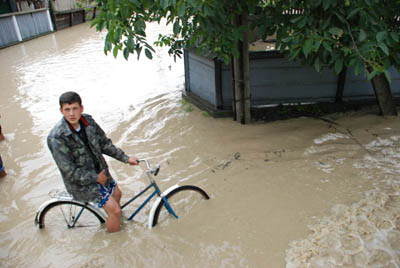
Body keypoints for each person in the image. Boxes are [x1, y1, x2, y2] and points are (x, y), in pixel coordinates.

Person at [47, 91, 138, 232]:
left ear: (81, 108)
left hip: (101, 173)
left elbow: (104, 144)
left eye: (75, 108)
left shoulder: (88, 122)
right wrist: (96, 178)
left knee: (118, 194)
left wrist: (126, 158)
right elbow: (69, 172)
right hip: (83, 183)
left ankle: (112, 219)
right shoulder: (57, 138)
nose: (72, 113)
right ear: (61, 111)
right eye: (67, 110)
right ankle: (114, 243)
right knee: (115, 211)